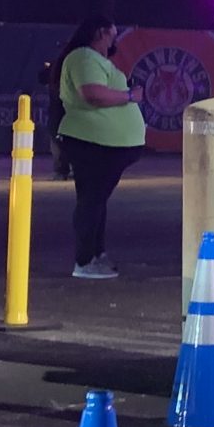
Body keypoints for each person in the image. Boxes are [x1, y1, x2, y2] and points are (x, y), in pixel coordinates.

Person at [53, 16, 145, 280]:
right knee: (91, 200)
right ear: (99, 33)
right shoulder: (83, 57)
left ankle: (95, 253)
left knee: (95, 200)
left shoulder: (91, 58)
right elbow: (92, 93)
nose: (112, 43)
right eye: (111, 36)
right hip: (94, 142)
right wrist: (129, 96)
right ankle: (84, 260)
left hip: (102, 142)